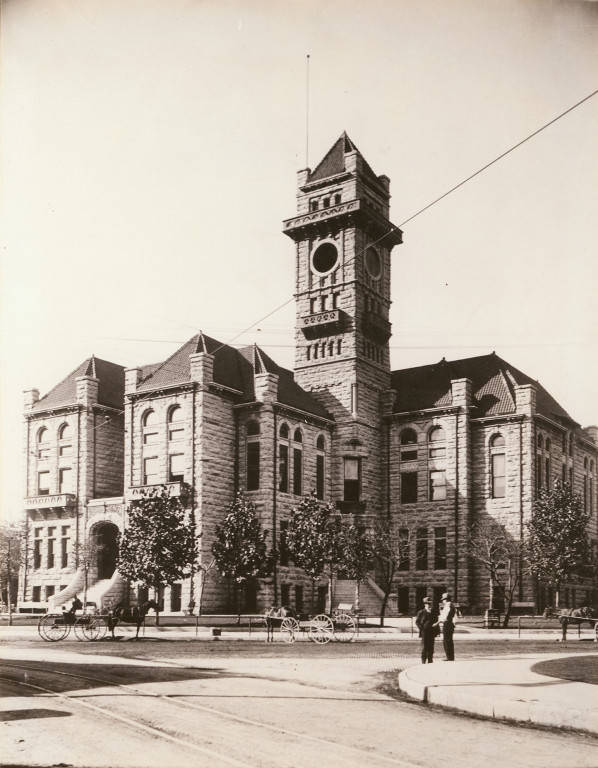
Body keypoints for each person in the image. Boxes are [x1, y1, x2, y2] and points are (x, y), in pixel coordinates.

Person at [415, 596, 438, 664]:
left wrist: (436, 631)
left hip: (432, 632)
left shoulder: (433, 612)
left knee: (431, 646)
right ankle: (423, 660)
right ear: (425, 604)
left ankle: (430, 660)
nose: (429, 605)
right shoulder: (421, 612)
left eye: (430, 603)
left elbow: (436, 621)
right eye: (427, 603)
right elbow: (417, 622)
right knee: (425, 646)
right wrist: (422, 629)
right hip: (424, 632)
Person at [438, 592, 456, 661]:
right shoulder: (452, 605)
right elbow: (455, 617)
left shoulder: (447, 606)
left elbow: (444, 617)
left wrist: (437, 622)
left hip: (447, 624)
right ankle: (451, 657)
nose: (442, 601)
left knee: (446, 641)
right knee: (449, 641)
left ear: (446, 599)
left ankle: (448, 657)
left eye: (443, 599)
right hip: (450, 624)